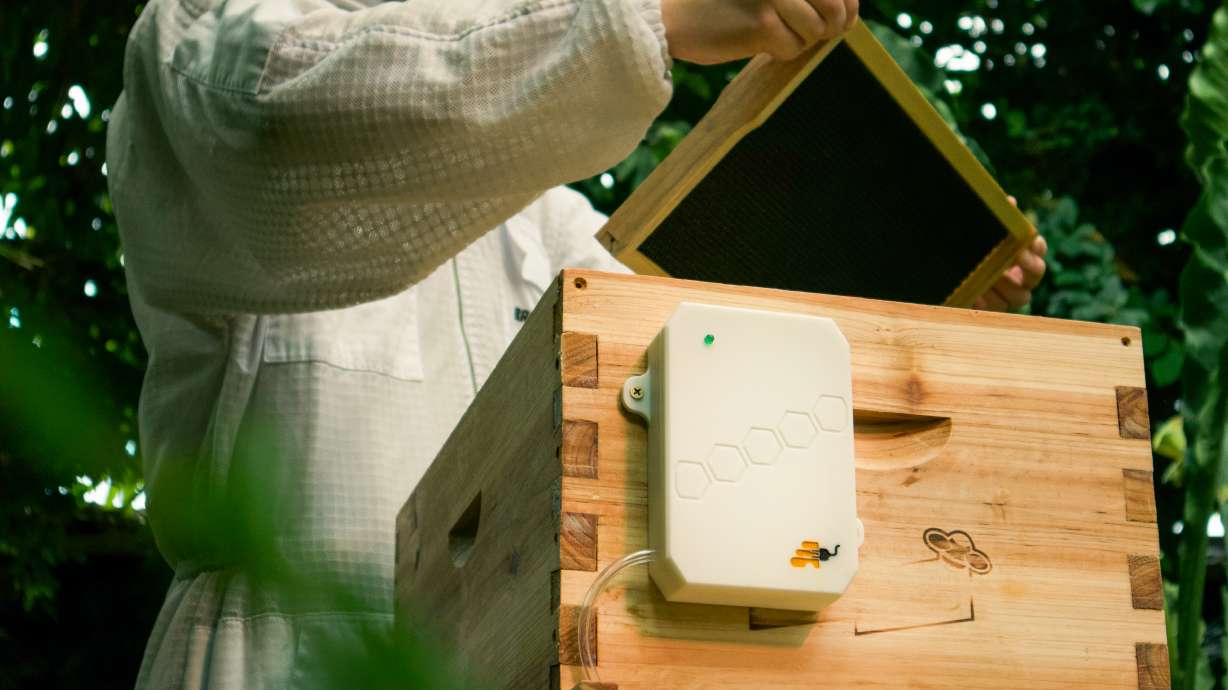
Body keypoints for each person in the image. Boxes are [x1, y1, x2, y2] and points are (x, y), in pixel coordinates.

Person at [106, 0, 1046, 687]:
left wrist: (930, 307)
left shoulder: (546, 225)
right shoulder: (193, 39)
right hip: (281, 661)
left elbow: (690, 371)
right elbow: (286, 120)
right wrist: (649, 21)